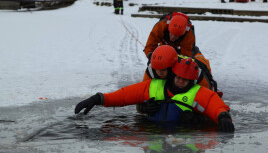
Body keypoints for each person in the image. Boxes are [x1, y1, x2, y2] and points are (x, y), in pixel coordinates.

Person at [75, 58, 235, 132]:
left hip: (184, 136)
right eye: (178, 77)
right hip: (151, 133)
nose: (180, 81)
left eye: (185, 80)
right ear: (173, 74)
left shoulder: (199, 93)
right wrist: (98, 98)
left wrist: (223, 117)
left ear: (192, 81)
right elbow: (123, 96)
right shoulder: (153, 86)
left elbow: (215, 104)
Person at [143, 45, 221, 96]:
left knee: (202, 60)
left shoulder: (193, 70)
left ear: (172, 67)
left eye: (163, 69)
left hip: (199, 63)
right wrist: (143, 106)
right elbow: (142, 94)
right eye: (157, 69)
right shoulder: (151, 70)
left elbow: (208, 97)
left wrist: (196, 115)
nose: (159, 72)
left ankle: (197, 52)